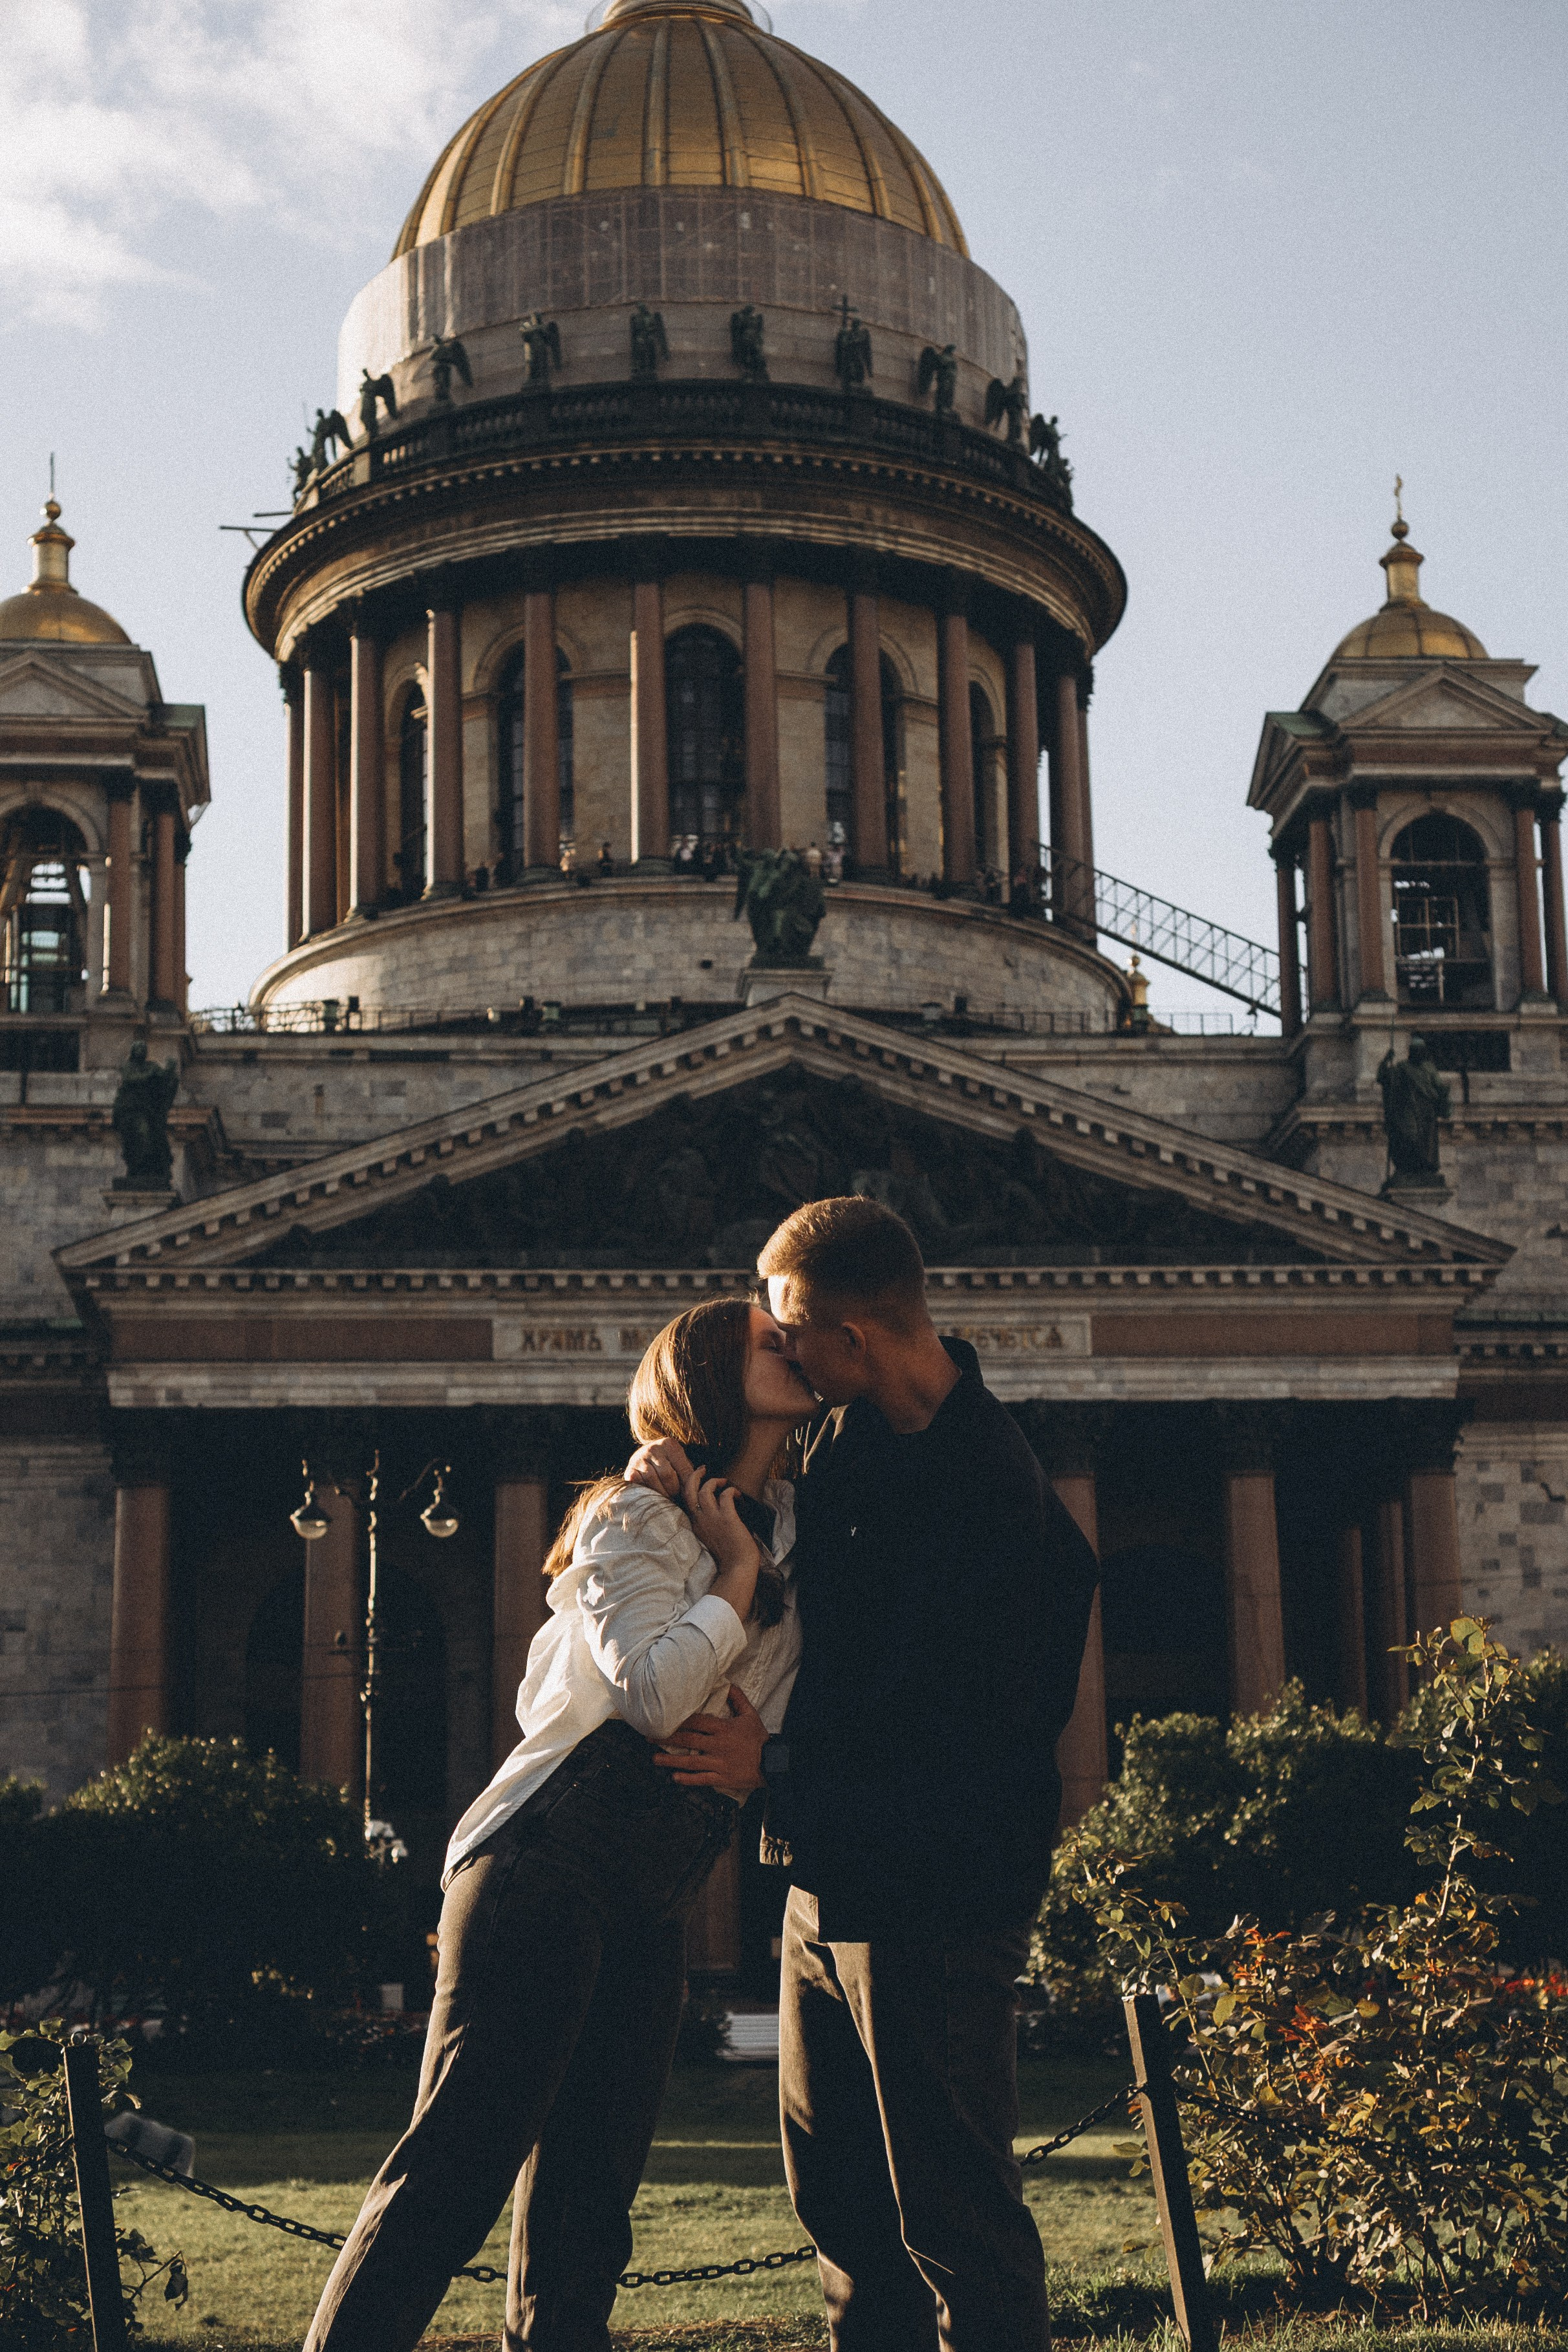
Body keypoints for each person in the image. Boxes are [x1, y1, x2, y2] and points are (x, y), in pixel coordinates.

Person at [630, 1196, 1099, 2352]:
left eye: (790, 1327)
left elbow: (971, 1748)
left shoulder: (992, 1491)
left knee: (954, 2216)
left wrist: (771, 1764)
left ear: (855, 1334)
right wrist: (670, 1466)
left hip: (934, 1901)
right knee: (840, 2207)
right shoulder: (843, 1446)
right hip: (821, 1880)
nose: (778, 1348)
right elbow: (760, 1529)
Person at [303, 1297, 813, 2352]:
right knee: (456, 2167)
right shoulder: (634, 1520)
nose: (797, 1345)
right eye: (772, 1340)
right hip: (546, 1859)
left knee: (590, 2204)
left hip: (659, 1881)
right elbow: (657, 1698)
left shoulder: (795, 1526)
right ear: (711, 1375)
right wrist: (732, 1574)